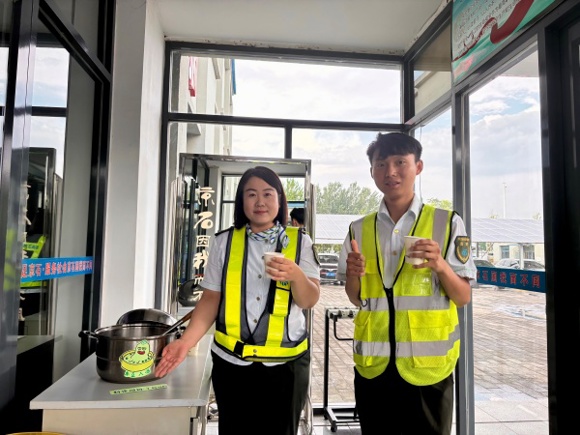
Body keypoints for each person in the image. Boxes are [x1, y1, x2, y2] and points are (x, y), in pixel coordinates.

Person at [155, 166, 320, 435]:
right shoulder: (224, 242)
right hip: (231, 364)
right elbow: (210, 299)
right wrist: (185, 343)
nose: (260, 202)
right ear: (241, 201)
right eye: (251, 194)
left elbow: (309, 300)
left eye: (268, 194)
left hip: (286, 366)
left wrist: (296, 275)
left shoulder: (300, 242)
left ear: (280, 200)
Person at [337, 132, 477, 434]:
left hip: (427, 370)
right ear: (372, 171)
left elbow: (463, 296)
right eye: (381, 164)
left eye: (400, 162)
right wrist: (353, 275)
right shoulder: (358, 229)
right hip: (374, 367)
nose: (390, 172)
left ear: (418, 167)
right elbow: (355, 297)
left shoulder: (447, 222)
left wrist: (440, 264)